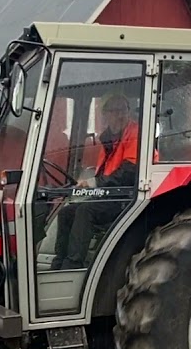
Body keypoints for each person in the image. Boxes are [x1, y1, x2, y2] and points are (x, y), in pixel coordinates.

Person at [49, 92, 140, 270]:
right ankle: (59, 263)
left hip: (127, 197)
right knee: (66, 213)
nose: (120, 115)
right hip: (110, 194)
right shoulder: (108, 139)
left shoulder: (135, 133)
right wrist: (87, 182)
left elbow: (129, 172)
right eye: (115, 110)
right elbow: (104, 171)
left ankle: (73, 265)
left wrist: (94, 183)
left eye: (123, 109)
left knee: (85, 211)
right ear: (105, 114)